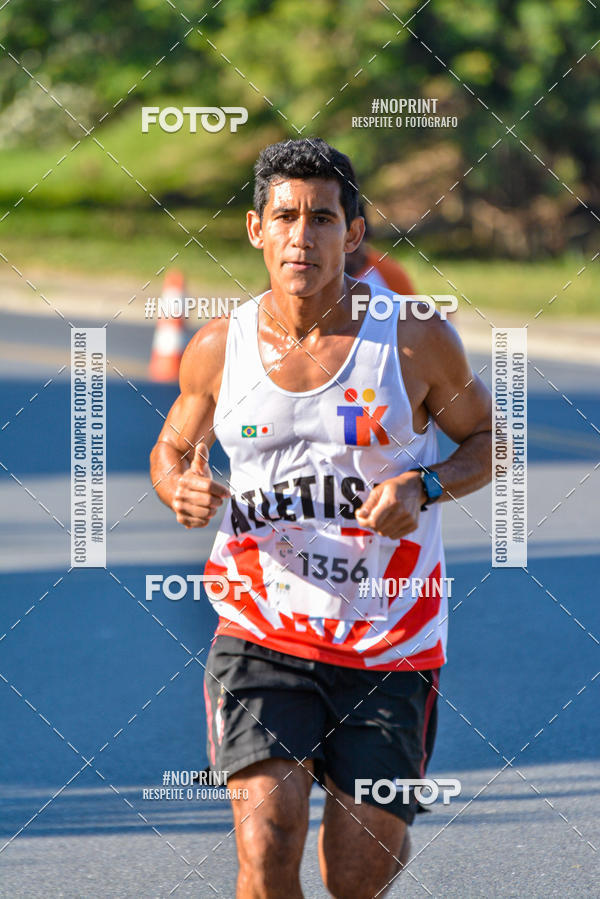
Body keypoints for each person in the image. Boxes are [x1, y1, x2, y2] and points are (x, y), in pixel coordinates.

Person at [150, 137, 492, 899]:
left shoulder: (415, 338)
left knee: (357, 871)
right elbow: (173, 446)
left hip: (390, 636)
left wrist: (424, 486)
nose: (303, 236)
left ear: (356, 231)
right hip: (260, 629)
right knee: (267, 843)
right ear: (255, 229)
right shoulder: (218, 346)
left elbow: (489, 440)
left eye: (323, 218)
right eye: (286, 217)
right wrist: (180, 485)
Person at [345, 201, 415, 295]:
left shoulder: (390, 275)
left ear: (367, 235)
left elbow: (411, 308)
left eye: (354, 241)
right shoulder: (320, 280)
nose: (346, 251)